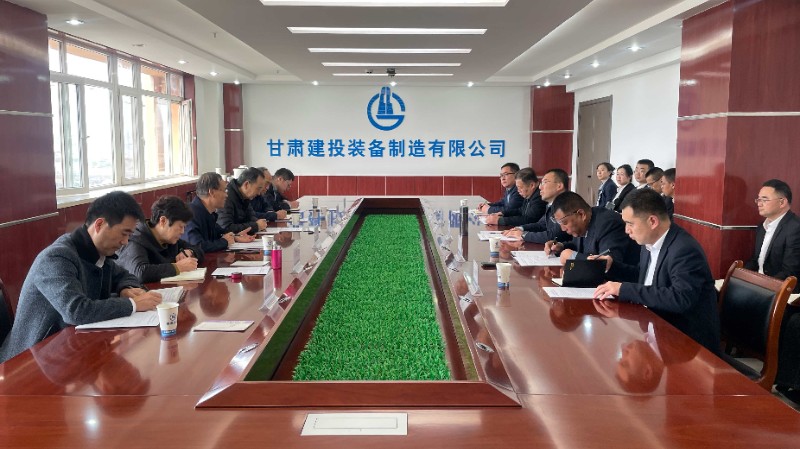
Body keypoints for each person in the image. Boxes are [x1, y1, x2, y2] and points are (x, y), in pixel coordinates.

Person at [0, 192, 162, 363]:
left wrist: (126, 289)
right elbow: (76, 311)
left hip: (71, 350)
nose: (125, 242)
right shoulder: (57, 257)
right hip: (28, 360)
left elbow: (125, 275)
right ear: (99, 224)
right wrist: (133, 304)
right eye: (124, 233)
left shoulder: (99, 253)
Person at [593, 188, 721, 354]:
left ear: (652, 221)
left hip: (687, 344)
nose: (626, 230)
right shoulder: (650, 241)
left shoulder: (684, 250)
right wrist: (612, 266)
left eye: (630, 224)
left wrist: (624, 289)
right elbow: (644, 277)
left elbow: (680, 298)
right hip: (656, 327)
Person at [543, 191, 640, 272]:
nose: (563, 229)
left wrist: (573, 257)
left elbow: (607, 265)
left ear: (581, 214)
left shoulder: (608, 224)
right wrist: (561, 246)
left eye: (564, 222)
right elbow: (581, 246)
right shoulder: (587, 220)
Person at [117, 195, 204, 283]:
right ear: (163, 221)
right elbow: (140, 273)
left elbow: (198, 249)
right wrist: (178, 267)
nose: (182, 232)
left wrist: (190, 251)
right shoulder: (136, 239)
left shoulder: (169, 238)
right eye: (180, 226)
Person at [744, 179, 800, 287]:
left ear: (782, 202)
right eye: (758, 199)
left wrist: (760, 285)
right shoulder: (762, 226)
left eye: (764, 200)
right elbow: (755, 260)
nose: (759, 204)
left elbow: (789, 272)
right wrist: (739, 277)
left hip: (780, 290)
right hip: (759, 285)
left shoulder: (796, 229)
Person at [183, 172, 255, 253]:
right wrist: (224, 242)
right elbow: (196, 246)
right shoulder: (191, 215)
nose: (226, 195)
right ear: (212, 192)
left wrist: (235, 237)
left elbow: (220, 234)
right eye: (224, 190)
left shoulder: (209, 213)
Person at [502, 168, 572, 244]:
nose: (540, 187)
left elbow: (554, 236)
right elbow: (541, 225)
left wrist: (524, 235)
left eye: (545, 182)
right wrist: (520, 228)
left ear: (559, 186)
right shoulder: (551, 204)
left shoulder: (567, 205)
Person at [217, 167, 268, 235]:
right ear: (246, 185)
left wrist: (259, 223)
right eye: (258, 189)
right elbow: (225, 228)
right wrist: (256, 226)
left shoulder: (245, 196)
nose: (259, 193)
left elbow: (251, 217)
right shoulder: (227, 197)